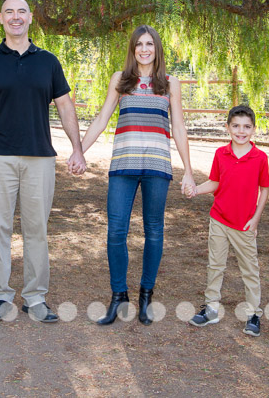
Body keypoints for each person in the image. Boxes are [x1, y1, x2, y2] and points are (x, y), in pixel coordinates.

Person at [0, 0, 86, 323]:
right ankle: (0, 297)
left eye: (22, 12)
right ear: (0, 18)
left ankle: (35, 298)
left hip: (39, 157)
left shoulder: (48, 62)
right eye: (9, 12)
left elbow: (65, 106)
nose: (16, 17)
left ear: (30, 18)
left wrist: (77, 148)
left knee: (36, 229)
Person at [80, 25, 195, 325]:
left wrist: (189, 172)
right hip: (123, 165)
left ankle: (146, 295)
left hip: (158, 166)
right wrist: (79, 150)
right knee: (116, 231)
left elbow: (179, 127)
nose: (144, 49)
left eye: (150, 44)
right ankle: (119, 296)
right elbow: (103, 118)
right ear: (132, 50)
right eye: (139, 45)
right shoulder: (121, 80)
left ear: (157, 49)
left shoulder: (170, 83)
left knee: (153, 231)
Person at [186, 105, 269, 336]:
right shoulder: (220, 154)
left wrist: (256, 219)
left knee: (249, 269)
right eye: (235, 126)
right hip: (219, 220)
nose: (240, 131)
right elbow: (215, 183)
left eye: (246, 127)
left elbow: (264, 190)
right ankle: (211, 309)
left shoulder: (260, 158)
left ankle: (253, 314)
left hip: (244, 224)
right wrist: (195, 189)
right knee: (215, 265)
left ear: (253, 129)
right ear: (228, 128)